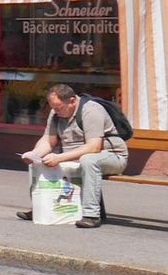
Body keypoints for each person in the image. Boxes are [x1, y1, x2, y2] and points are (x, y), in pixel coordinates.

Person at [17, 84, 128, 228]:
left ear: (72, 101)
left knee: (88, 160)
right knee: (39, 161)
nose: (56, 111)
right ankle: (40, 207)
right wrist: (34, 154)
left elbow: (93, 147)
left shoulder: (91, 111)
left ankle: (91, 215)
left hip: (111, 156)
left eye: (60, 108)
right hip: (75, 156)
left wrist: (60, 158)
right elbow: (48, 140)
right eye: (53, 108)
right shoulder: (56, 113)